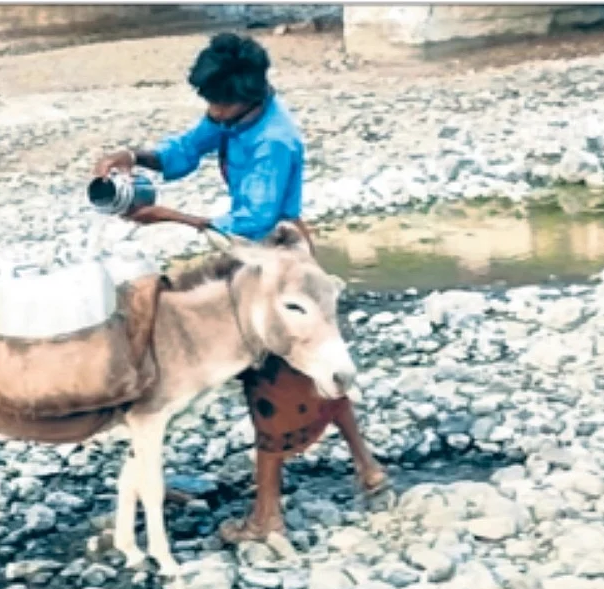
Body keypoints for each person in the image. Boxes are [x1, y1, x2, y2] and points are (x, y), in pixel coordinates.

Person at [92, 32, 390, 543]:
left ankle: (267, 515)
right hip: (251, 251)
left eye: (219, 103)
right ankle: (368, 468)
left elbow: (251, 223)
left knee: (272, 382)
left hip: (277, 256)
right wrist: (134, 157)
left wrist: (171, 217)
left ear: (247, 97)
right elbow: (187, 151)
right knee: (311, 372)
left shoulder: (273, 140)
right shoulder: (233, 115)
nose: (213, 111)